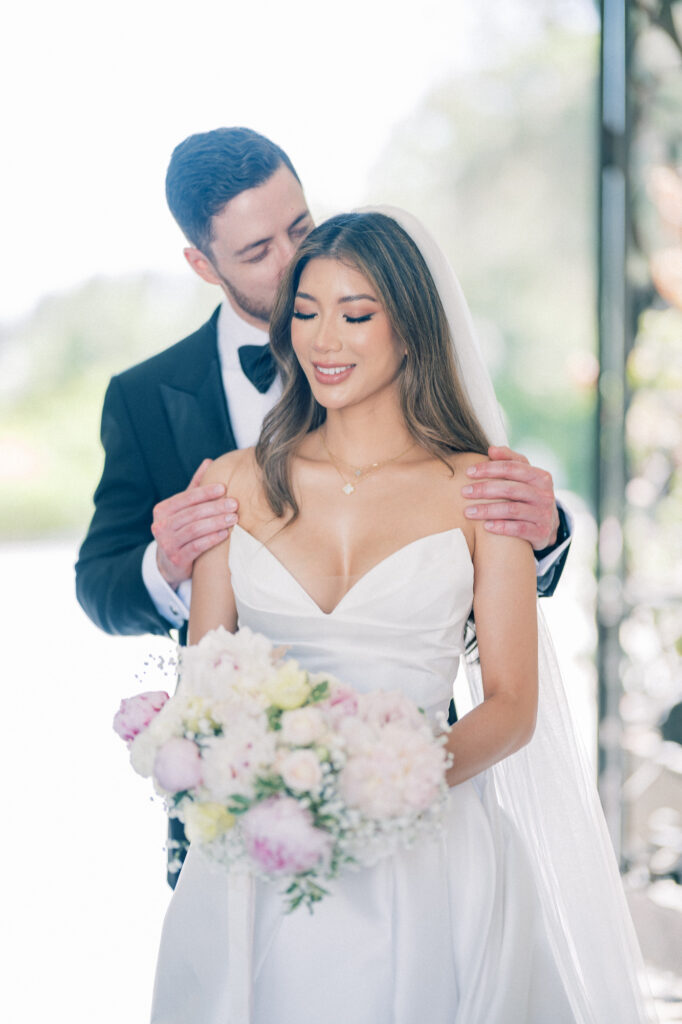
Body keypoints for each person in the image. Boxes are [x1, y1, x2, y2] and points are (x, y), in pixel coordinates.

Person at [150, 211, 654, 1023]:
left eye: (356, 315)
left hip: (434, 855)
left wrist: (387, 787)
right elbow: (203, 687)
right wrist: (271, 788)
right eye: (306, 312)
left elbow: (513, 706)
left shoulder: (483, 490)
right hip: (260, 861)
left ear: (413, 329)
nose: (325, 340)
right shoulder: (232, 483)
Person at [76, 127, 572, 885]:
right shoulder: (148, 402)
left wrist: (548, 531)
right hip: (245, 823)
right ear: (202, 265)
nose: (289, 263)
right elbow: (104, 589)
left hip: (426, 822)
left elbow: (504, 677)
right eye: (256, 252)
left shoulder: (458, 465)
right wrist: (167, 559)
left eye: (298, 228)